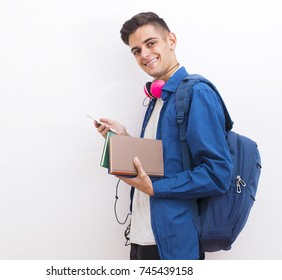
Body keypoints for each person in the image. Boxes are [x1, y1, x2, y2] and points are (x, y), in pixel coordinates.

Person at [94, 12, 233, 260]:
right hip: (141, 235)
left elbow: (217, 173)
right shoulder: (158, 98)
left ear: (171, 40)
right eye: (136, 51)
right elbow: (161, 163)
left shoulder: (196, 93)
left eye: (150, 43)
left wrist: (155, 188)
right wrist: (124, 139)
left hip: (171, 244)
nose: (144, 55)